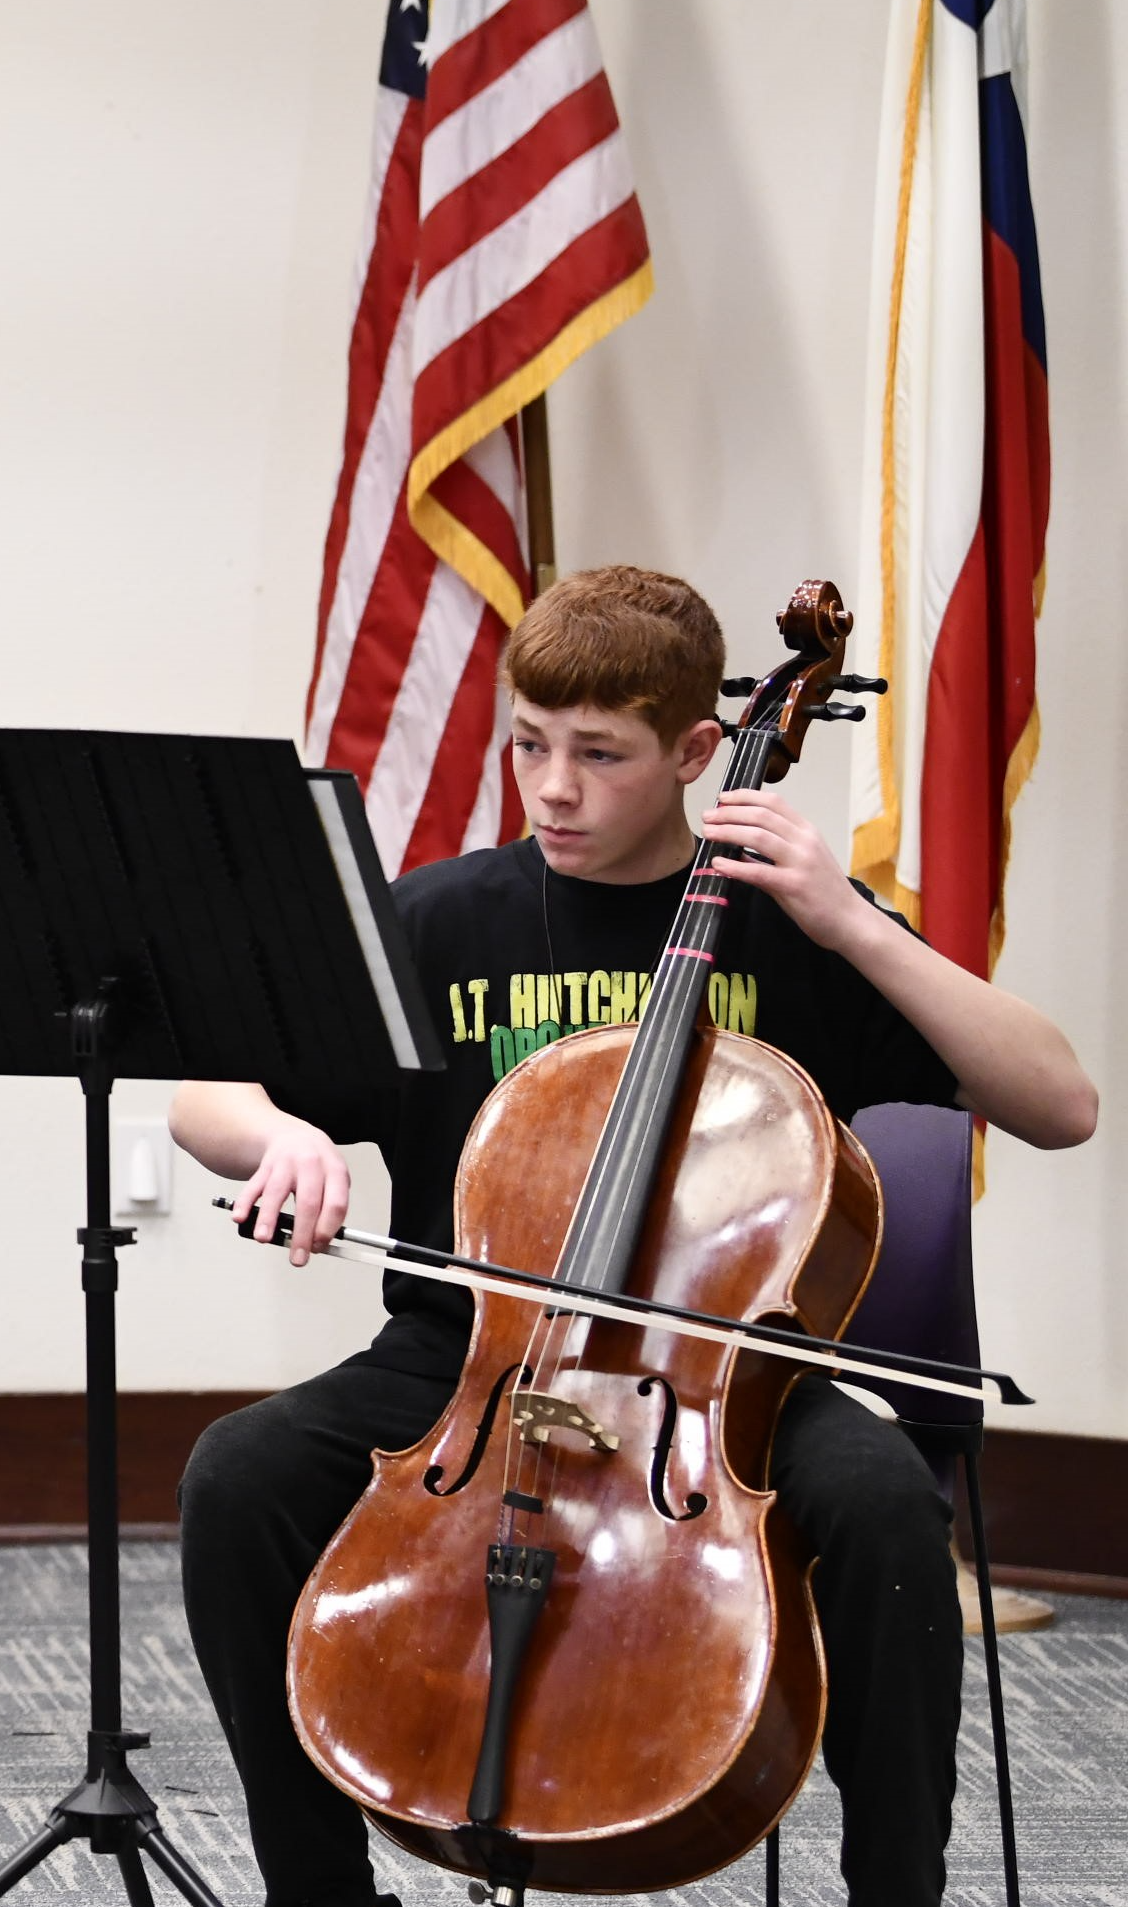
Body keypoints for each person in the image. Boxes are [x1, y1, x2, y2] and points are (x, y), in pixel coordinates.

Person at [171, 565, 1096, 1907]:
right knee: (235, 1478)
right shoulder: (440, 916)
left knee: (890, 1509)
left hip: (721, 1383)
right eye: (527, 745)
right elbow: (208, 1089)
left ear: (693, 751)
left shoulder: (786, 929)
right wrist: (281, 1137)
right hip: (468, 1356)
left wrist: (848, 920)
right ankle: (317, 1892)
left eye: (597, 755)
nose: (550, 788)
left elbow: (1057, 1099)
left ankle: (896, 1885)